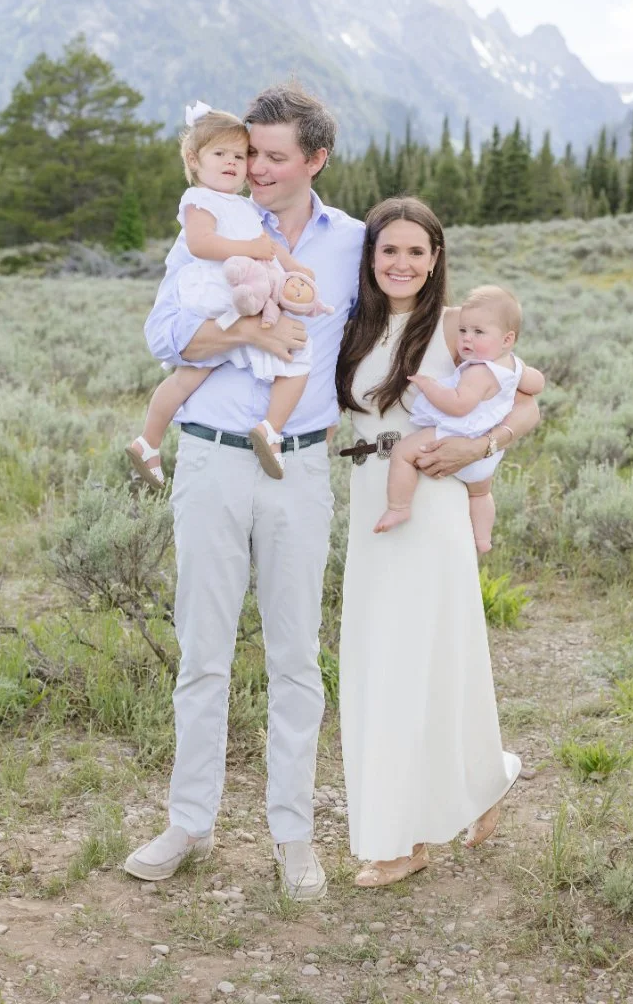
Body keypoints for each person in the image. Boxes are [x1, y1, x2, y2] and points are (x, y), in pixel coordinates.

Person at [123, 84, 364, 900]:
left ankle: (293, 835)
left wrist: (499, 413)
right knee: (204, 649)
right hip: (212, 460)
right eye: (248, 152)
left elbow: (400, 338)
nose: (254, 168)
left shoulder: (353, 244)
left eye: (273, 156)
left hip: (298, 466)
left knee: (296, 657)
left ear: (315, 160)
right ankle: (189, 823)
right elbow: (165, 337)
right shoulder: (212, 227)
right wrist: (249, 333)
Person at [336, 197, 537, 888]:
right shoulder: (352, 325)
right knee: (379, 658)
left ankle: (403, 840)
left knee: (424, 658)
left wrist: (481, 443)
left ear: (436, 259)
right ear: (370, 258)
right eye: (388, 250)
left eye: (416, 252)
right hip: (373, 497)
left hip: (436, 499)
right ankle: (481, 783)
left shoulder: (456, 328)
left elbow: (531, 396)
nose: (401, 263)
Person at [126, 103, 322, 487]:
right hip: (215, 292)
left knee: (192, 375)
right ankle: (269, 428)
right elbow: (202, 244)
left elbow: (267, 245)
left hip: (234, 291)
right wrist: (251, 250)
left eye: (239, 155)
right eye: (221, 154)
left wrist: (293, 267)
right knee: (297, 357)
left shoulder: (243, 206)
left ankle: (149, 441)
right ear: (194, 160)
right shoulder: (199, 199)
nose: (233, 163)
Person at [374, 284, 545, 550]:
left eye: (478, 332)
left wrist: (430, 386)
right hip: (486, 454)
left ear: (507, 339)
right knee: (481, 493)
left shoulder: (477, 371)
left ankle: (398, 507)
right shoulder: (512, 365)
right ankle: (483, 539)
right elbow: (536, 384)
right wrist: (521, 371)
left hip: (456, 436)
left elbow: (458, 405)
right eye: (463, 330)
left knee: (403, 453)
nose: (466, 338)